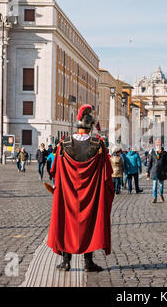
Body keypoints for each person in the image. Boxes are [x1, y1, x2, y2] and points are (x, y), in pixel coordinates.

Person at [47, 104, 114, 273]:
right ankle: (88, 263)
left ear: (77, 126)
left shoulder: (64, 144)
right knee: (89, 225)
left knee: (66, 223)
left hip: (68, 195)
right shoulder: (98, 145)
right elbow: (107, 173)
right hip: (90, 195)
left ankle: (66, 261)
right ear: (91, 127)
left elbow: (55, 170)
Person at [146, 139, 167, 203]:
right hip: (154, 171)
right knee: (154, 185)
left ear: (161, 144)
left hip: (162, 171)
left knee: (161, 185)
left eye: (159, 143)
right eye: (157, 143)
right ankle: (155, 197)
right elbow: (149, 163)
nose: (158, 145)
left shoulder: (165, 153)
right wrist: (147, 171)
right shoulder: (152, 152)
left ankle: (161, 194)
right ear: (155, 144)